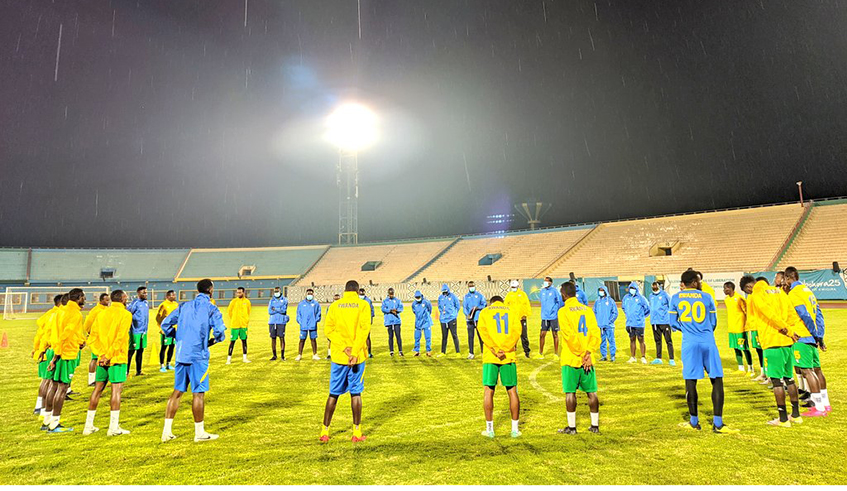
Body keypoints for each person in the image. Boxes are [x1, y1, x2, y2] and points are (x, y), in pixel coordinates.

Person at [670, 271, 738, 433]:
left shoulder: (675, 298)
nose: (700, 283)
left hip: (690, 343)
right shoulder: (707, 297)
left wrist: (687, 330)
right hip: (708, 341)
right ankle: (718, 424)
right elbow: (713, 322)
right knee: (717, 380)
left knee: (690, 382)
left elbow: (673, 323)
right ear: (693, 282)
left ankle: (694, 422)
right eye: (699, 281)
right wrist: (704, 331)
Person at [160, 279, 227, 443]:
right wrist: (215, 340)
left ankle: (166, 432)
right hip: (198, 356)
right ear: (210, 290)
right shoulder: (211, 308)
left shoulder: (183, 306)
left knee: (177, 392)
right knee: (198, 393)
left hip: (182, 354)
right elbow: (219, 330)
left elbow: (165, 324)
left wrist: (176, 336)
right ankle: (199, 433)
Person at [740, 275, 803, 427]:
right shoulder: (779, 291)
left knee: (776, 381)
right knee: (789, 378)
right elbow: (792, 314)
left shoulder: (757, 295)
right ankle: (796, 415)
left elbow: (769, 314)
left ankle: (782, 419)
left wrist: (786, 330)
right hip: (787, 342)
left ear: (749, 288)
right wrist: (791, 330)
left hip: (772, 340)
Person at [320, 280, 372, 443]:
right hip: (357, 358)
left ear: (345, 290)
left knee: (333, 394)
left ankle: (325, 431)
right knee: (355, 393)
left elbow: (328, 330)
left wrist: (344, 349)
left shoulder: (335, 306)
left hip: (339, 357)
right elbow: (365, 330)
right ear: (357, 291)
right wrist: (354, 351)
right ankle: (356, 433)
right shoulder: (363, 305)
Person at [83, 290, 132, 436]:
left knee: (97, 390)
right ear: (123, 299)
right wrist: (109, 355)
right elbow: (121, 337)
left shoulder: (101, 314)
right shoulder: (126, 314)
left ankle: (88, 426)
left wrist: (101, 355)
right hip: (116, 358)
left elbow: (92, 337)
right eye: (126, 298)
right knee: (116, 390)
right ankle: (113, 428)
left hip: (102, 358)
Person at [557, 282, 601, 435]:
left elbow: (568, 336)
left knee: (570, 393)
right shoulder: (588, 310)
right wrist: (588, 352)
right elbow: (596, 333)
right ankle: (595, 426)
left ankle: (572, 427)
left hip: (571, 358)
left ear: (563, 294)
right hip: (588, 359)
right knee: (592, 392)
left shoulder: (563, 312)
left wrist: (581, 354)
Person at [785, 267, 831, 415]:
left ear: (788, 278)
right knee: (817, 370)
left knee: (807, 371)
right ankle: (825, 403)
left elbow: (804, 315)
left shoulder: (794, 293)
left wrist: (812, 333)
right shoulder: (807, 290)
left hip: (802, 336)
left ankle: (818, 407)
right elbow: (818, 314)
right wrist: (819, 335)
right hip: (812, 337)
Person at [477, 295, 522, 438]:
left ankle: (490, 430)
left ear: (491, 303)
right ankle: (514, 429)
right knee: (512, 390)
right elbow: (516, 332)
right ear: (502, 302)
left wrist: (495, 348)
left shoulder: (485, 312)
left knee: (488, 391)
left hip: (491, 356)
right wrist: (505, 348)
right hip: (508, 355)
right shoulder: (512, 311)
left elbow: (483, 332)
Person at [44, 288, 86, 433]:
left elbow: (62, 332)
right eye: (83, 297)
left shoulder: (60, 311)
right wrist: (56, 357)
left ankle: (47, 420)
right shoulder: (75, 314)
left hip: (56, 350)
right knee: (62, 388)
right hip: (65, 354)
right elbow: (65, 334)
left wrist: (81, 341)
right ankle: (55, 424)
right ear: (79, 298)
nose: (84, 300)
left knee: (53, 386)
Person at [32, 295, 63, 417]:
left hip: (43, 349)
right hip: (49, 350)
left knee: (47, 380)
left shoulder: (48, 315)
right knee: (48, 381)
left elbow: (40, 333)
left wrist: (36, 348)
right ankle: (42, 408)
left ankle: (39, 406)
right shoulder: (56, 316)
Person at [723, 282, 753, 374]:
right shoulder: (726, 299)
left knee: (744, 348)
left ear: (730, 288)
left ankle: (750, 368)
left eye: (725, 288)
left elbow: (747, 312)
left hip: (740, 328)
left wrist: (747, 325)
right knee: (735, 348)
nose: (724, 290)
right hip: (732, 328)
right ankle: (741, 368)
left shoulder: (740, 298)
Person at [84, 293, 110, 385]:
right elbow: (87, 324)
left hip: (104, 338)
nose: (108, 302)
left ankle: (101, 378)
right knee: (94, 358)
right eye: (106, 300)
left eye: (109, 300)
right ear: (101, 300)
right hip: (97, 339)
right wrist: (90, 333)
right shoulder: (96, 310)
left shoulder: (106, 310)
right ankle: (91, 379)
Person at [622, 281, 650, 364]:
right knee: (632, 339)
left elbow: (648, 309)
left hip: (639, 323)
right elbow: (623, 308)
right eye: (631, 288)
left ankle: (643, 357)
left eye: (633, 288)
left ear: (636, 289)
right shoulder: (626, 297)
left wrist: (641, 317)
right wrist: (628, 314)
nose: (632, 290)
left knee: (641, 339)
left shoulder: (641, 298)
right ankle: (632, 357)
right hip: (629, 323)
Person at [536, 276, 563, 360]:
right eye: (544, 281)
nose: (545, 283)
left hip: (553, 316)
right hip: (544, 317)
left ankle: (556, 354)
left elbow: (560, 302)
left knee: (555, 334)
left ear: (551, 282)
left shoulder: (555, 291)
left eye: (547, 281)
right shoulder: (542, 291)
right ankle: (540, 353)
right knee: (542, 334)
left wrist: (555, 310)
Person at [649, 282, 675, 366]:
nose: (654, 287)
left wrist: (671, 319)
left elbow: (671, 305)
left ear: (659, 286)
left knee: (668, 341)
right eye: (653, 286)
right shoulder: (651, 296)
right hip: (655, 322)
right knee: (657, 341)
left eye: (655, 285)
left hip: (664, 322)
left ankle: (671, 359)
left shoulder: (665, 295)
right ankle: (658, 358)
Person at [504, 280, 532, 358]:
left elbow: (527, 305)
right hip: (512, 319)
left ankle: (527, 352)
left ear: (518, 287)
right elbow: (505, 306)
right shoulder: (509, 295)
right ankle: (512, 351)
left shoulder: (523, 294)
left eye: (514, 287)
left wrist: (525, 314)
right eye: (512, 287)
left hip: (521, 318)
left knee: (524, 336)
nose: (513, 288)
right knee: (512, 336)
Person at [126, 286, 149, 376]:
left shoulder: (146, 303)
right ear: (138, 293)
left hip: (143, 331)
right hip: (135, 332)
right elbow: (128, 314)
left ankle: (138, 371)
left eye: (146, 293)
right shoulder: (135, 303)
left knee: (140, 351)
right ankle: (126, 372)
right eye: (144, 293)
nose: (146, 294)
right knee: (131, 352)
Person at [226, 286, 251, 364]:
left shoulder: (247, 302)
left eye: (240, 292)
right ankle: (229, 359)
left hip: (243, 326)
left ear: (243, 292)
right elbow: (229, 312)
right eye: (237, 292)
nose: (238, 294)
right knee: (232, 342)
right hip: (235, 325)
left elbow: (248, 312)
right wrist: (234, 319)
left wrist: (245, 321)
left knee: (244, 341)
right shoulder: (233, 301)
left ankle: (245, 358)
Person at [463, 281, 487, 360]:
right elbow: (464, 307)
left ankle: (483, 352)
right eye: (470, 286)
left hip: (478, 319)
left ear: (475, 286)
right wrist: (467, 315)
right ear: (468, 287)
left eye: (472, 286)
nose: (471, 287)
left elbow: (484, 304)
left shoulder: (479, 295)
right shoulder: (466, 297)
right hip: (469, 320)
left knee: (481, 336)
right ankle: (471, 353)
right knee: (470, 336)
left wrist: (478, 307)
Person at [593, 286, 618, 362]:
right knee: (602, 341)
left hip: (609, 326)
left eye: (602, 290)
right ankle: (604, 356)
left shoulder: (610, 301)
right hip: (600, 325)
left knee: (611, 340)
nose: (601, 292)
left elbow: (615, 312)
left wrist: (610, 321)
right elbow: (594, 312)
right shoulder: (597, 301)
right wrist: (597, 321)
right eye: (600, 290)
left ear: (605, 291)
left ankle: (612, 356)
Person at [296, 288, 322, 361]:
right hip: (303, 325)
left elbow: (318, 313)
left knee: (313, 339)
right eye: (308, 294)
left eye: (311, 294)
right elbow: (298, 314)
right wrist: (300, 322)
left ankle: (315, 354)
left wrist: (315, 321)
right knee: (302, 340)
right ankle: (299, 354)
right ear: (306, 294)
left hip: (312, 325)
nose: (309, 295)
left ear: (313, 294)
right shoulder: (301, 304)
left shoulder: (316, 304)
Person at [156, 290, 179, 372]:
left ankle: (168, 364)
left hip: (174, 330)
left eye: (175, 295)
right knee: (164, 347)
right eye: (172, 295)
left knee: (172, 346)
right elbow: (158, 317)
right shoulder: (163, 305)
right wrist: (162, 328)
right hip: (166, 330)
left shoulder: (176, 305)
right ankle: (162, 365)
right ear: (168, 296)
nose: (174, 296)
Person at [437, 284, 462, 358]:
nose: (444, 293)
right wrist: (442, 314)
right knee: (444, 336)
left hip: (451, 319)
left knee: (454, 335)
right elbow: (439, 307)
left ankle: (458, 352)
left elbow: (457, 306)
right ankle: (443, 352)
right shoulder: (440, 297)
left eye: (445, 291)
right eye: (443, 292)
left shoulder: (453, 296)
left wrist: (454, 314)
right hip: (443, 320)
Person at [381, 287, 405, 356]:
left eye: (392, 294)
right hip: (389, 321)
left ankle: (400, 350)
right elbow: (383, 309)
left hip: (396, 321)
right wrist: (390, 310)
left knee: (398, 336)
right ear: (388, 294)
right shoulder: (385, 301)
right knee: (390, 336)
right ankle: (391, 351)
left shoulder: (397, 300)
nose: (391, 295)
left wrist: (396, 311)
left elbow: (401, 308)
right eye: (390, 294)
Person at [268, 287, 289, 361]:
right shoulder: (271, 300)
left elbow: (284, 310)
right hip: (272, 322)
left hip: (281, 321)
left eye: (277, 291)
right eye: (275, 291)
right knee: (273, 339)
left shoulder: (285, 300)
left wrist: (275, 309)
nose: (276, 292)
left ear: (280, 291)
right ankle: (274, 355)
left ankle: (282, 356)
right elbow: (270, 311)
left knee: (282, 338)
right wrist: (278, 309)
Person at [411, 290, 433, 357]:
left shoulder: (426, 302)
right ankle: (417, 351)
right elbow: (414, 311)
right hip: (418, 323)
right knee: (417, 337)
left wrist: (426, 316)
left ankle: (428, 351)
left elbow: (430, 309)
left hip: (426, 322)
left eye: (418, 297)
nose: (418, 298)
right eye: (416, 297)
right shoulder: (414, 304)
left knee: (427, 337)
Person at [359, 288, 375, 358]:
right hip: (358, 322)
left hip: (366, 321)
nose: (362, 293)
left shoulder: (368, 300)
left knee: (367, 337)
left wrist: (370, 320)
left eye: (363, 292)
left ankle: (369, 352)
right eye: (360, 292)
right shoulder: (356, 300)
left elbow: (372, 310)